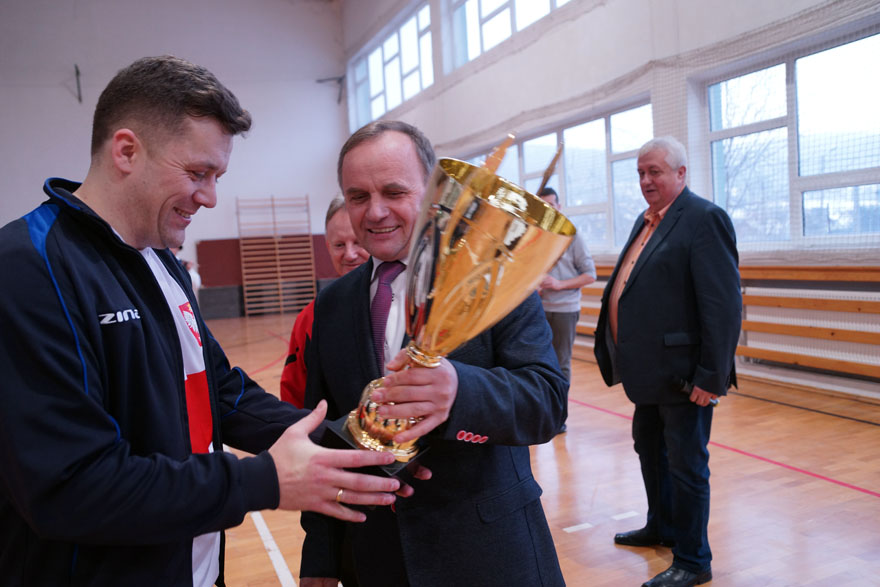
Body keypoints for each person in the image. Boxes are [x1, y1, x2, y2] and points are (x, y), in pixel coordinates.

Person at [0, 55, 404, 586]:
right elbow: (69, 488)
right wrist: (264, 481)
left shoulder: (159, 258)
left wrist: (344, 446)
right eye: (197, 173)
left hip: (196, 568)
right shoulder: (26, 266)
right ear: (126, 151)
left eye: (217, 176)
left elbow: (219, 391)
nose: (210, 197)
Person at [299, 120, 568, 587]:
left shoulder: (492, 277)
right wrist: (320, 558)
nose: (375, 211)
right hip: (378, 558)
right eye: (358, 196)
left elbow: (547, 402)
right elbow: (323, 434)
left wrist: (460, 392)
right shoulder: (331, 304)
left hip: (488, 553)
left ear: (431, 192)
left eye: (393, 192)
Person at [594, 137, 741, 587]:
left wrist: (711, 377)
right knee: (650, 452)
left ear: (681, 173)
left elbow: (723, 306)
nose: (645, 180)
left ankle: (694, 560)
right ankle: (662, 526)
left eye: (654, 171)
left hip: (685, 377)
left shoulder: (703, 218)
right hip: (649, 373)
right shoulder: (647, 221)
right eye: (641, 173)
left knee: (687, 467)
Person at [280, 197, 368, 407]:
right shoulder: (310, 317)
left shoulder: (406, 307)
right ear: (328, 247)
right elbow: (294, 394)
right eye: (339, 245)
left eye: (358, 242)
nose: (350, 254)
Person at [537, 186, 597, 432]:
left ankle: (559, 417)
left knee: (561, 364)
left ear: (559, 207)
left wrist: (559, 284)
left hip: (564, 310)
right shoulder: (539, 235)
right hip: (541, 309)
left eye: (552, 205)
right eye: (544, 206)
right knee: (540, 363)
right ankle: (543, 413)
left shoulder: (573, 236)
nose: (548, 210)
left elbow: (590, 275)